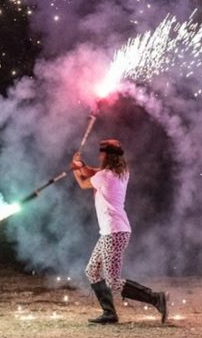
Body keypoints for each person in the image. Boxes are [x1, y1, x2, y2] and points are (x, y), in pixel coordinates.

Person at [70, 139, 168, 324]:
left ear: (107, 156)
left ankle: (156, 298)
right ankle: (109, 313)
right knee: (92, 271)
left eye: (101, 153)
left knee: (112, 281)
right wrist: (81, 164)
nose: (99, 155)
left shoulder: (105, 176)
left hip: (114, 232)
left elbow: (83, 183)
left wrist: (75, 169)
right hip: (112, 231)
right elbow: (92, 172)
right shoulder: (122, 172)